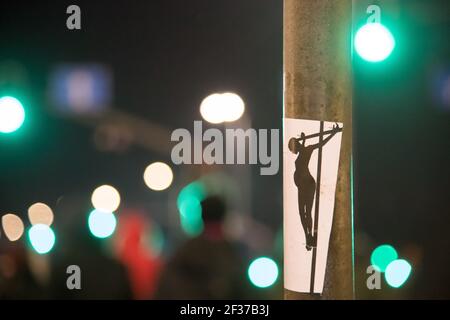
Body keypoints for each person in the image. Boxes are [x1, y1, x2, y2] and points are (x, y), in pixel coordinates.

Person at [154, 196, 251, 299]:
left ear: (201, 217)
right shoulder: (233, 253)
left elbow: (166, 288)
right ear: (224, 217)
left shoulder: (185, 252)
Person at [288, 124, 340, 250]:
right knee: (302, 212)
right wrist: (303, 139)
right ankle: (308, 237)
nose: (294, 150)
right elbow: (301, 154)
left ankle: (309, 237)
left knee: (307, 211)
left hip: (307, 184)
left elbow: (321, 143)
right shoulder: (303, 150)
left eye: (294, 146)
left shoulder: (307, 149)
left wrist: (334, 133)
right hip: (301, 185)